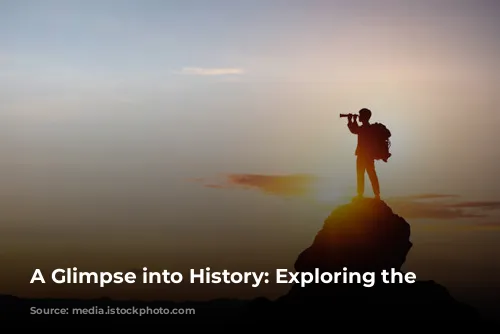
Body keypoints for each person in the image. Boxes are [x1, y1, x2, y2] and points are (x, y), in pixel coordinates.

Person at [347, 108, 380, 200]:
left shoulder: (365, 128)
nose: (359, 116)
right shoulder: (368, 128)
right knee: (370, 173)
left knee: (363, 173)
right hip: (367, 155)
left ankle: (362, 194)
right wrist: (353, 120)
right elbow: (356, 129)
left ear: (364, 117)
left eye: (360, 115)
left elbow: (354, 130)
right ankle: (376, 194)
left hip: (364, 155)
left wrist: (351, 120)